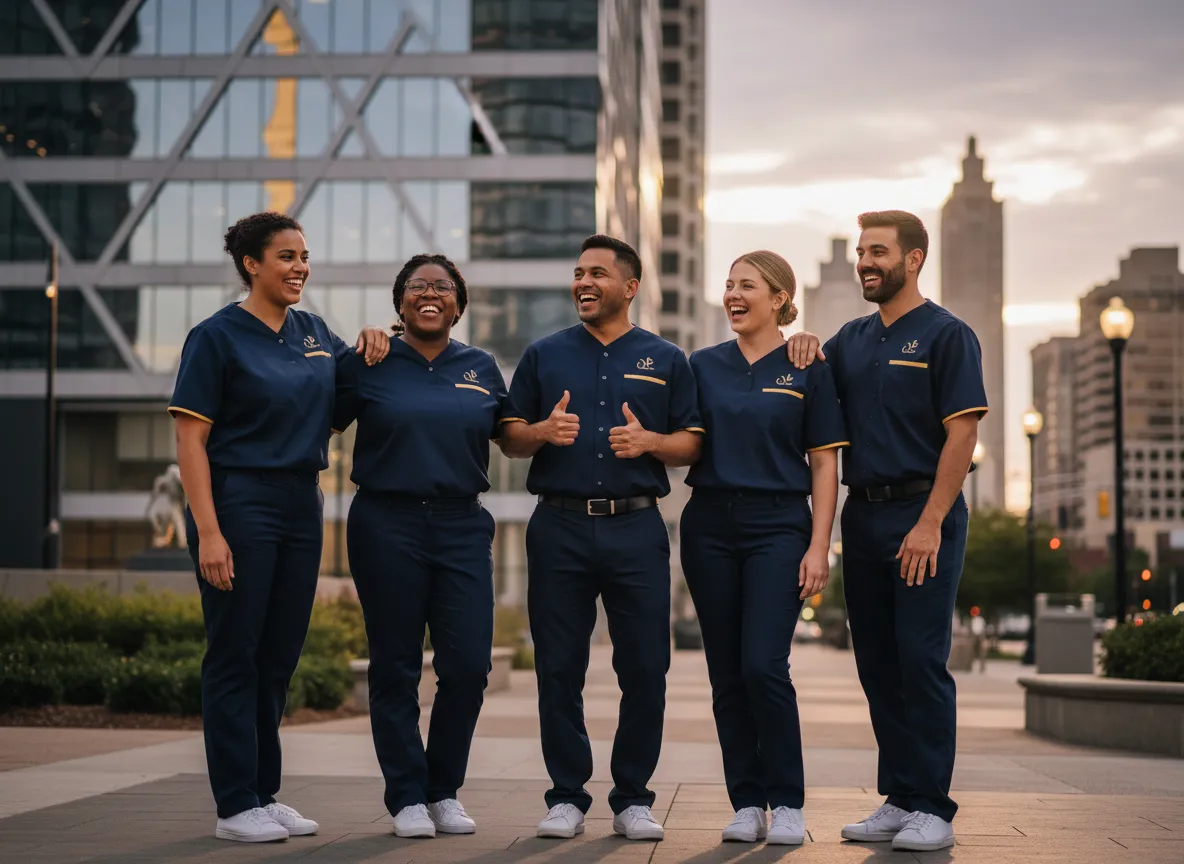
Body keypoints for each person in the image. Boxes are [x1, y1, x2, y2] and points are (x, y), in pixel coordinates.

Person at [169, 212, 390, 843]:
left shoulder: (316, 332)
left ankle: (264, 793)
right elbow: (191, 442)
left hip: (301, 503)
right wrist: (209, 531)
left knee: (278, 656)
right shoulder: (215, 337)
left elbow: (352, 393)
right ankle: (235, 803)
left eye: (304, 256)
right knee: (235, 652)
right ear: (252, 265)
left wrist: (374, 340)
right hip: (239, 501)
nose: (300, 267)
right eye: (287, 257)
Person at [786, 210, 986, 852]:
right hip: (863, 515)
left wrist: (930, 522)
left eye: (879, 251)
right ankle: (900, 797)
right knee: (876, 663)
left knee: (922, 661)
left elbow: (963, 434)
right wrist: (806, 342)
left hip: (921, 515)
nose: (866, 262)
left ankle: (933, 805)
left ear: (914, 258)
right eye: (862, 253)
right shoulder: (853, 337)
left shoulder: (947, 335)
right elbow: (815, 378)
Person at [499, 234, 704, 842]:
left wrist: (651, 444)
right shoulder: (544, 354)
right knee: (558, 666)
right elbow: (509, 435)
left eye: (597, 274)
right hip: (557, 525)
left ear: (630, 287)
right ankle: (566, 795)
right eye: (579, 273)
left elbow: (692, 442)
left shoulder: (667, 359)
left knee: (645, 666)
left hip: (637, 525)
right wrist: (541, 430)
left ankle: (633, 798)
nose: (584, 283)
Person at [331, 254, 505, 840]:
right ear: (400, 301)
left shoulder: (481, 367)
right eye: (416, 286)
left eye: (441, 286)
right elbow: (316, 413)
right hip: (387, 522)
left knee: (469, 665)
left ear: (459, 302)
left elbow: (511, 435)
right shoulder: (368, 361)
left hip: (461, 524)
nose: (429, 294)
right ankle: (406, 795)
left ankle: (443, 790)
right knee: (396, 664)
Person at [682, 251, 846, 846]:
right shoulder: (702, 365)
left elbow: (824, 462)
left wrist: (819, 544)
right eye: (728, 285)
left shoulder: (808, 365)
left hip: (779, 525)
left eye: (746, 285)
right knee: (726, 672)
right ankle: (747, 802)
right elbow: (685, 440)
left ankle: (790, 801)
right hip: (709, 526)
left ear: (778, 298)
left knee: (763, 666)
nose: (733, 294)